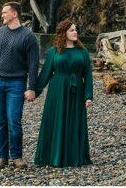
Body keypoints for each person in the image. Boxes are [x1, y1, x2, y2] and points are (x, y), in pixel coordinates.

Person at [0, 1, 40, 169]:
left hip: (16, 84)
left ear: (15, 14)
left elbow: (33, 65)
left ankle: (17, 156)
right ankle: (3, 157)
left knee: (14, 120)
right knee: (0, 121)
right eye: (2, 12)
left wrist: (31, 87)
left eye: (5, 12)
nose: (2, 15)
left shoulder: (28, 36)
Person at [33, 19, 94, 167]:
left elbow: (88, 74)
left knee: (75, 121)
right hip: (57, 90)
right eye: (72, 30)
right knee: (55, 120)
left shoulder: (83, 51)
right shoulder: (54, 51)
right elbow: (46, 73)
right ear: (64, 33)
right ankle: (52, 157)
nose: (75, 33)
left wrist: (88, 95)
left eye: (75, 30)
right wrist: (34, 91)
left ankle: (74, 158)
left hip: (77, 90)